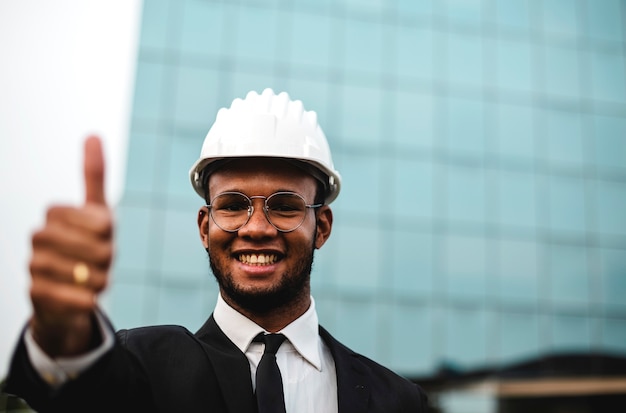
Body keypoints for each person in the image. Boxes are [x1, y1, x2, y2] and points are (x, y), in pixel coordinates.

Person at [5, 89, 428, 412]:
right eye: (232, 206)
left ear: (323, 227)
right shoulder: (141, 367)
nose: (257, 228)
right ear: (205, 228)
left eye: (284, 206)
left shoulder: (397, 400)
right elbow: (80, 386)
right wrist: (63, 335)